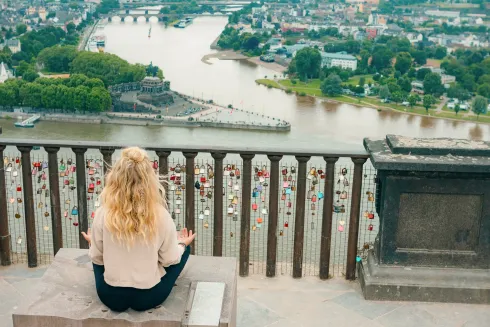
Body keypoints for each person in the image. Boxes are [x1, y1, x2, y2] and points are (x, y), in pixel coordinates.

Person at [81, 147, 196, 312]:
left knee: (96, 255)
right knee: (184, 249)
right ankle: (184, 246)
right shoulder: (161, 215)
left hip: (110, 296)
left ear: (115, 177)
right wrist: (182, 244)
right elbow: (169, 260)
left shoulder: (103, 213)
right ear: (150, 179)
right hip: (149, 296)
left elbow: (97, 258)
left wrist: (94, 243)